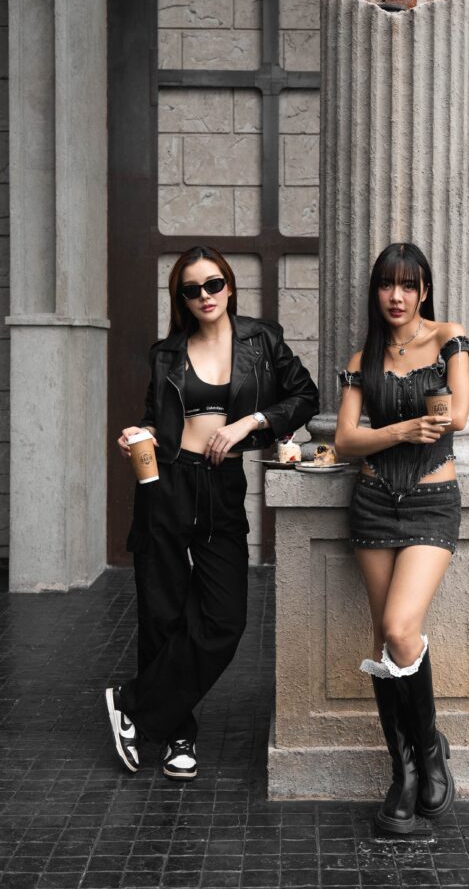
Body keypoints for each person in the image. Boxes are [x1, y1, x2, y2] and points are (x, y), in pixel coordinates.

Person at [106, 245, 319, 780]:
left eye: (214, 284)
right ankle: (179, 733)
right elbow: (161, 421)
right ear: (180, 298)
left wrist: (249, 424)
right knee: (165, 611)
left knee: (225, 618)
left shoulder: (261, 340)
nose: (205, 296)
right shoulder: (166, 353)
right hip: (167, 481)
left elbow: (305, 396)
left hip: (222, 485)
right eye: (192, 289)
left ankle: (131, 703)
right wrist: (141, 433)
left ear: (229, 285)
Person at [335, 242, 469, 834]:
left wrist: (406, 428)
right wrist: (403, 429)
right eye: (388, 285)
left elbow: (458, 417)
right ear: (376, 291)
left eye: (409, 285)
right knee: (385, 642)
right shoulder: (362, 358)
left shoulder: (449, 339)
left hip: (431, 502)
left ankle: (431, 747)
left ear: (424, 291)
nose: (398, 296)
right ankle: (405, 770)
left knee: (399, 630)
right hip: (371, 505)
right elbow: (344, 440)